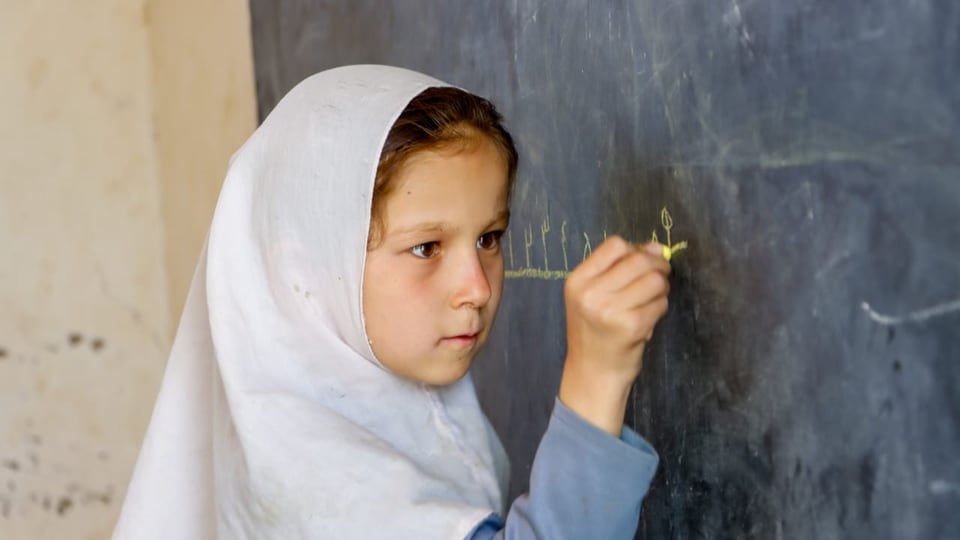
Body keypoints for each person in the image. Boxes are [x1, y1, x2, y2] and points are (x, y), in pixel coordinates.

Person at [113, 65, 671, 539]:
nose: (476, 287)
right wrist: (596, 377)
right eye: (426, 247)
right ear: (304, 270)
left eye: (490, 238)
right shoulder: (320, 485)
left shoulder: (315, 418)